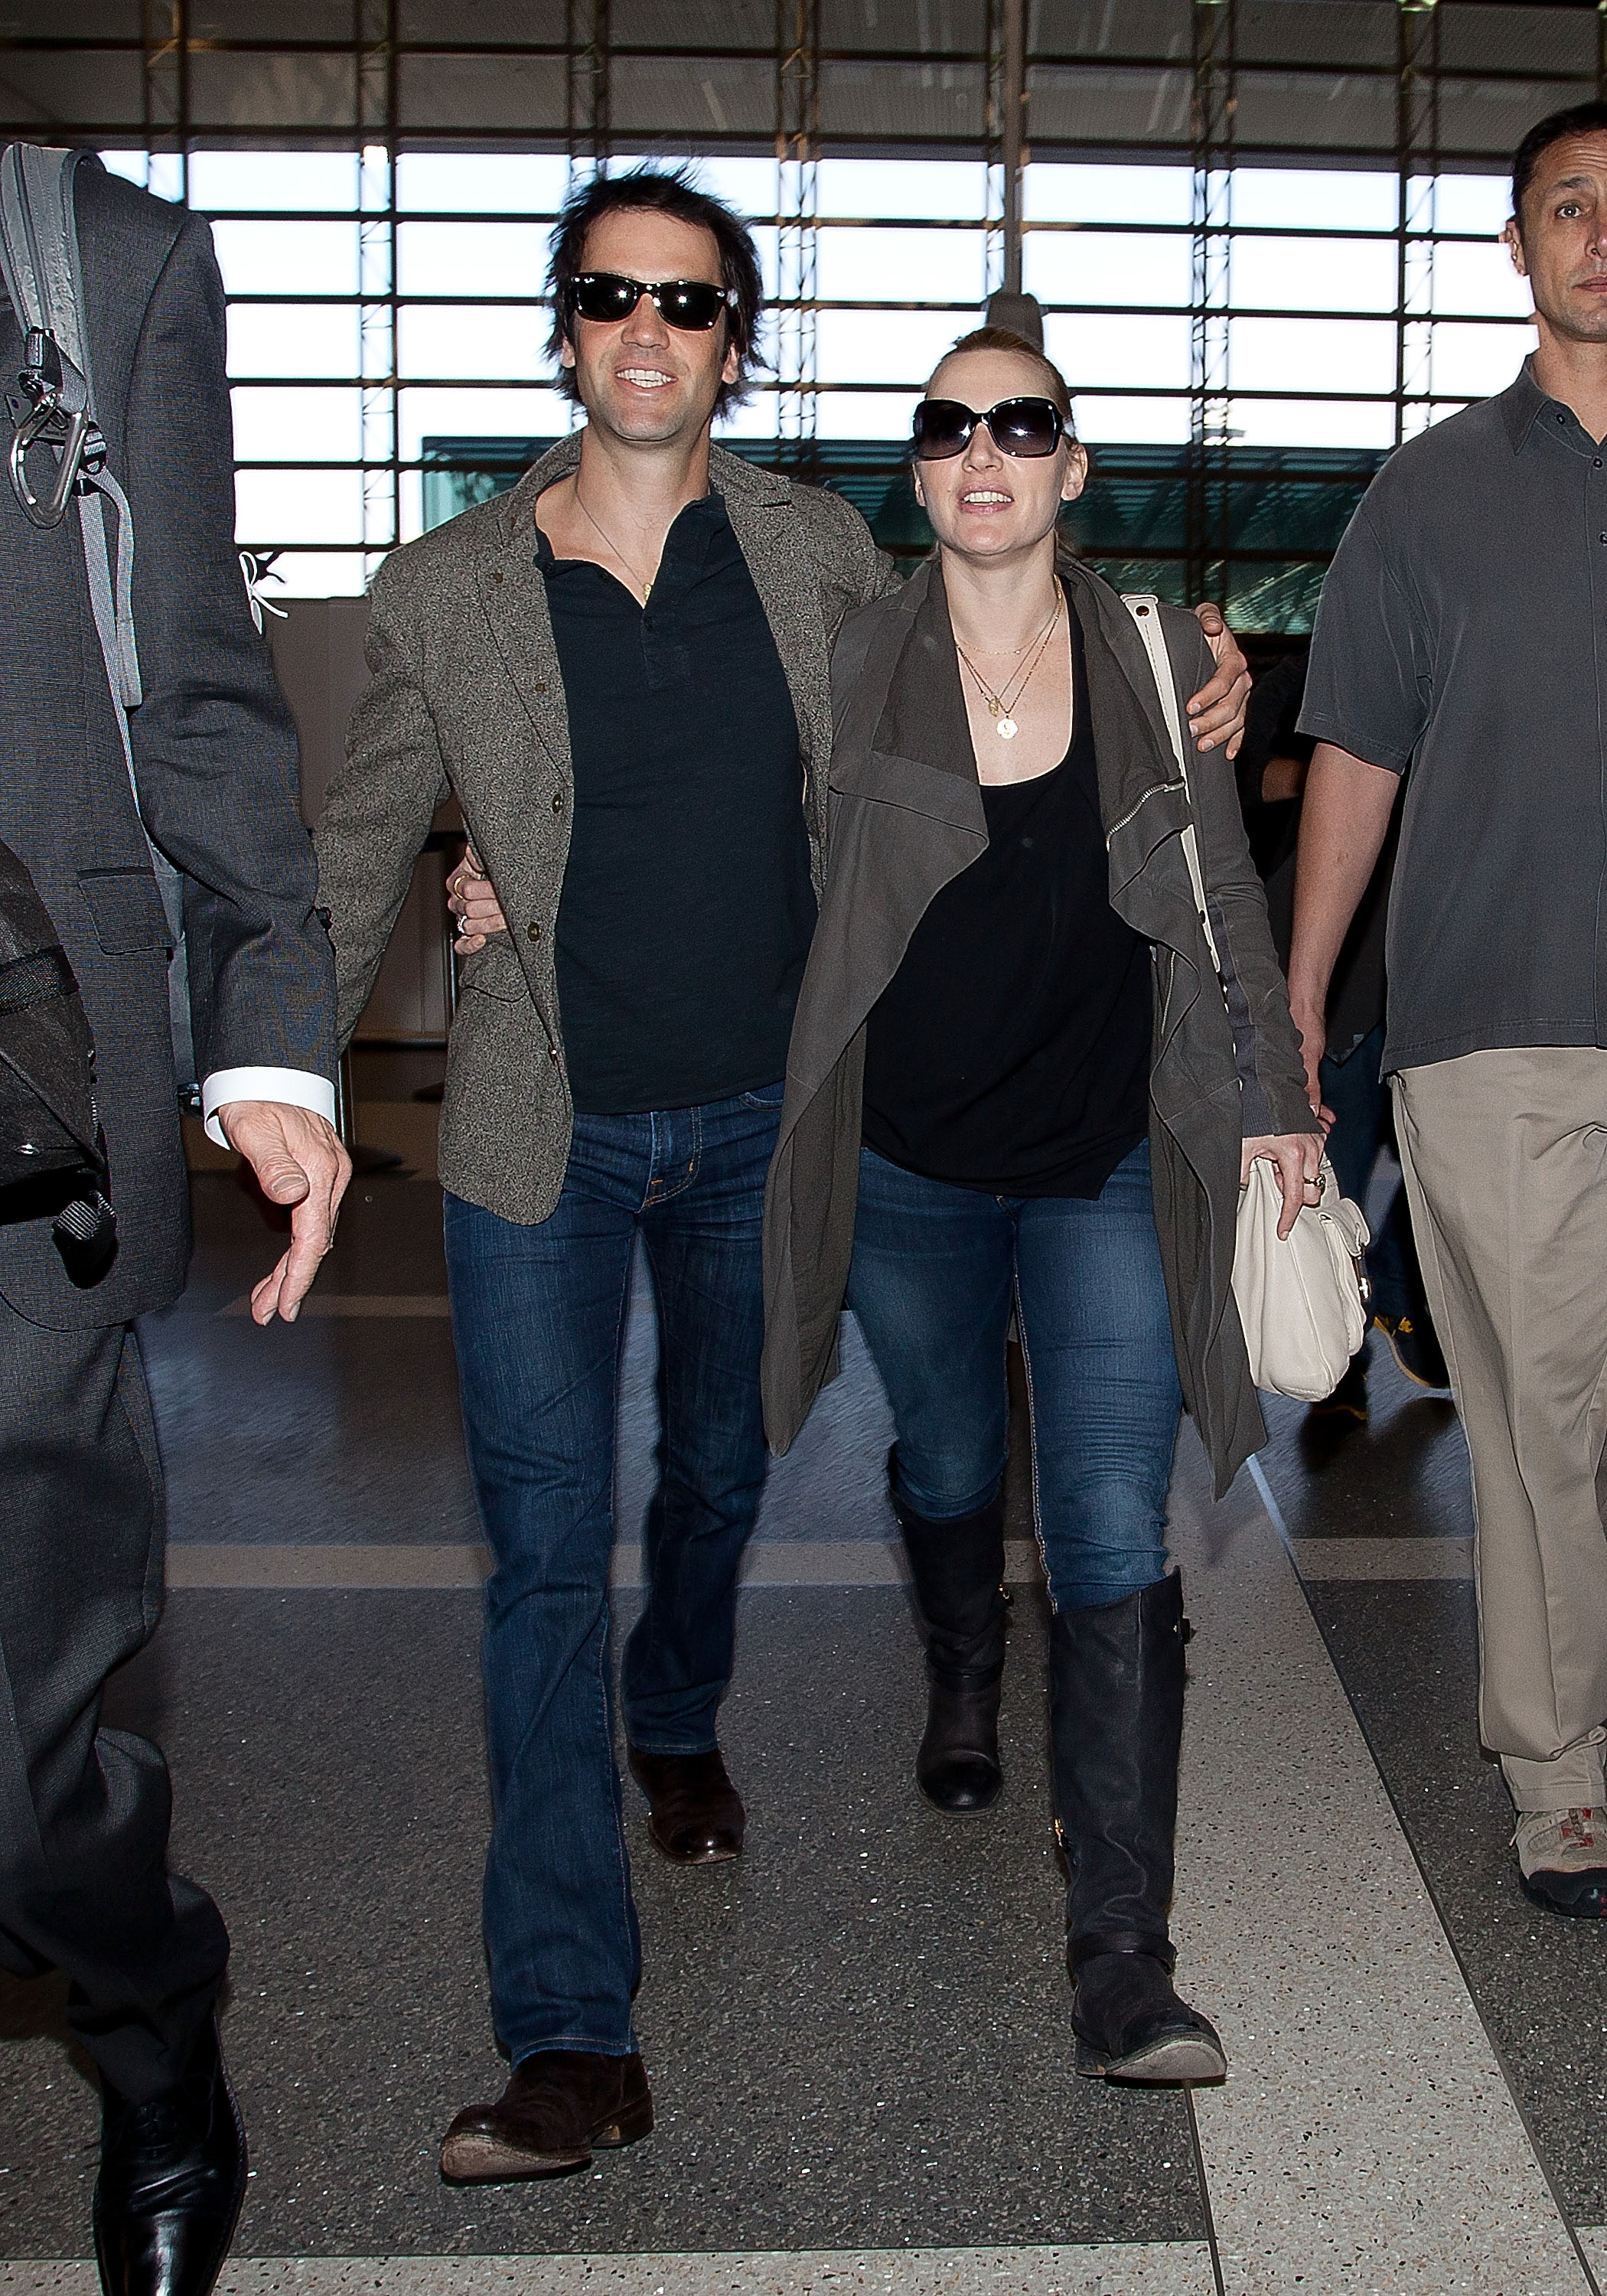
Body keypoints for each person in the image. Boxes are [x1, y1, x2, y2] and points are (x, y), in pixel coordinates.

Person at [333, 166, 1255, 2181]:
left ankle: (682, 1708)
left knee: (725, 1476)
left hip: (771, 1117)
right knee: (545, 1552)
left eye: (689, 301)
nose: (646, 329)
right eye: (608, 296)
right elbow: (352, 852)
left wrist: (1178, 674)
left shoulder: (817, 555)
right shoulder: (441, 589)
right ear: (562, 330)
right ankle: (572, 2036)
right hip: (537, 1132)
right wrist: (284, 1092)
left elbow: (991, 667)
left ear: (733, 345)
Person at [759, 330, 1322, 2084]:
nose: (983, 448)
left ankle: (1124, 1956)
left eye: (1023, 423)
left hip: (1100, 1160)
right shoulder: (850, 659)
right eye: (948, 427)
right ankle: (957, 1666)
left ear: (1074, 466)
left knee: (1106, 1515)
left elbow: (1223, 897)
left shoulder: (1163, 660)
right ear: (919, 475)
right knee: (942, 1457)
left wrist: (1276, 1108)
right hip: (911, 1162)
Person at [0, 152, 349, 2296]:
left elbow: (198, 683)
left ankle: (149, 2029)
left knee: (18, 1779)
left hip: (22, 1100)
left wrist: (274, 1038)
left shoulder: (90, 261)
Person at [1289, 99, 1607, 1919]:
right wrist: (1310, 1009)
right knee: (1544, 1402)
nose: (1598, 234)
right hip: (1497, 1024)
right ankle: (1563, 1776)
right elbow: (1357, 750)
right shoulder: (1431, 491)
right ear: (1517, 243)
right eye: (1567, 205)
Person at [1234, 655, 1447, 1430]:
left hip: (1432, 966)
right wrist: (1357, 769)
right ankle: (1344, 1359)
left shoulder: (1463, 677)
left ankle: (1397, 1277)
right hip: (1339, 975)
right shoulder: (1298, 680)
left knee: (1453, 1165)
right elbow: (1248, 777)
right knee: (1333, 1172)